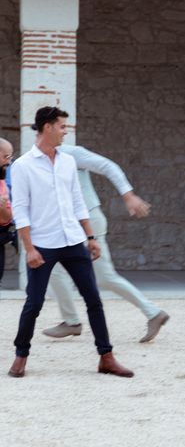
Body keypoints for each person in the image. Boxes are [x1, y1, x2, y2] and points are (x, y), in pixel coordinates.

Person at [8, 106, 133, 378]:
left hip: (74, 241)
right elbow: (20, 210)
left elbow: (78, 202)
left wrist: (90, 237)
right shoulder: (23, 166)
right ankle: (20, 356)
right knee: (34, 303)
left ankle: (106, 357)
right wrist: (29, 248)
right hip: (42, 244)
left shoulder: (67, 162)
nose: (66, 131)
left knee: (94, 300)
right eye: (63, 126)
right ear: (48, 127)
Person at [38, 144, 170, 343]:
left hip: (87, 222)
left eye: (64, 126)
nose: (63, 131)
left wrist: (129, 195)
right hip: (75, 224)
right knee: (102, 277)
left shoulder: (71, 153)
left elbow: (108, 166)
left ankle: (72, 321)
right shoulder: (38, 161)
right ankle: (153, 313)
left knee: (58, 269)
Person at [0, 138, 15, 286]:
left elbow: (7, 218)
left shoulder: (2, 180)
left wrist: (2, 208)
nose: (9, 162)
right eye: (6, 157)